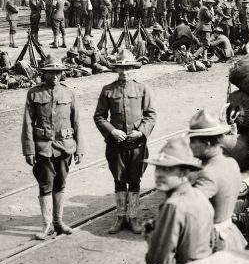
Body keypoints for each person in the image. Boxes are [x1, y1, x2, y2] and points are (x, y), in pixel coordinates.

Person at [93, 49, 157, 234]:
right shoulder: (108, 90)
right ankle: (121, 218)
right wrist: (112, 131)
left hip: (137, 144)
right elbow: (99, 116)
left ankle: (134, 218)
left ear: (134, 69)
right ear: (116, 70)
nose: (124, 72)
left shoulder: (142, 89)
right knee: (119, 180)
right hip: (116, 145)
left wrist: (141, 132)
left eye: (128, 68)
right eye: (120, 69)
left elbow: (151, 115)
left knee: (135, 181)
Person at [21, 54, 83, 239]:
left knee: (61, 183)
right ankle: (47, 224)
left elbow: (77, 121)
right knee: (45, 184)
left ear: (62, 73)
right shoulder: (34, 93)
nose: (54, 76)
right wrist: (29, 150)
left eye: (57, 72)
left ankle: (58, 221)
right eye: (50, 72)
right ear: (43, 74)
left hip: (64, 147)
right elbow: (27, 123)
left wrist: (80, 148)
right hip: (43, 148)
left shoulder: (69, 93)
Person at [139, 136, 213, 264]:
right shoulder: (198, 195)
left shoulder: (173, 205)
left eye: (167, 169)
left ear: (184, 173)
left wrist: (152, 239)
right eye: (158, 168)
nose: (159, 174)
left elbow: (160, 260)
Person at [189, 109, 247, 251]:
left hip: (213, 242)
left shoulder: (208, 173)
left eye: (193, 141)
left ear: (207, 143)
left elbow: (188, 210)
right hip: (230, 234)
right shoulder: (231, 163)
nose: (190, 145)